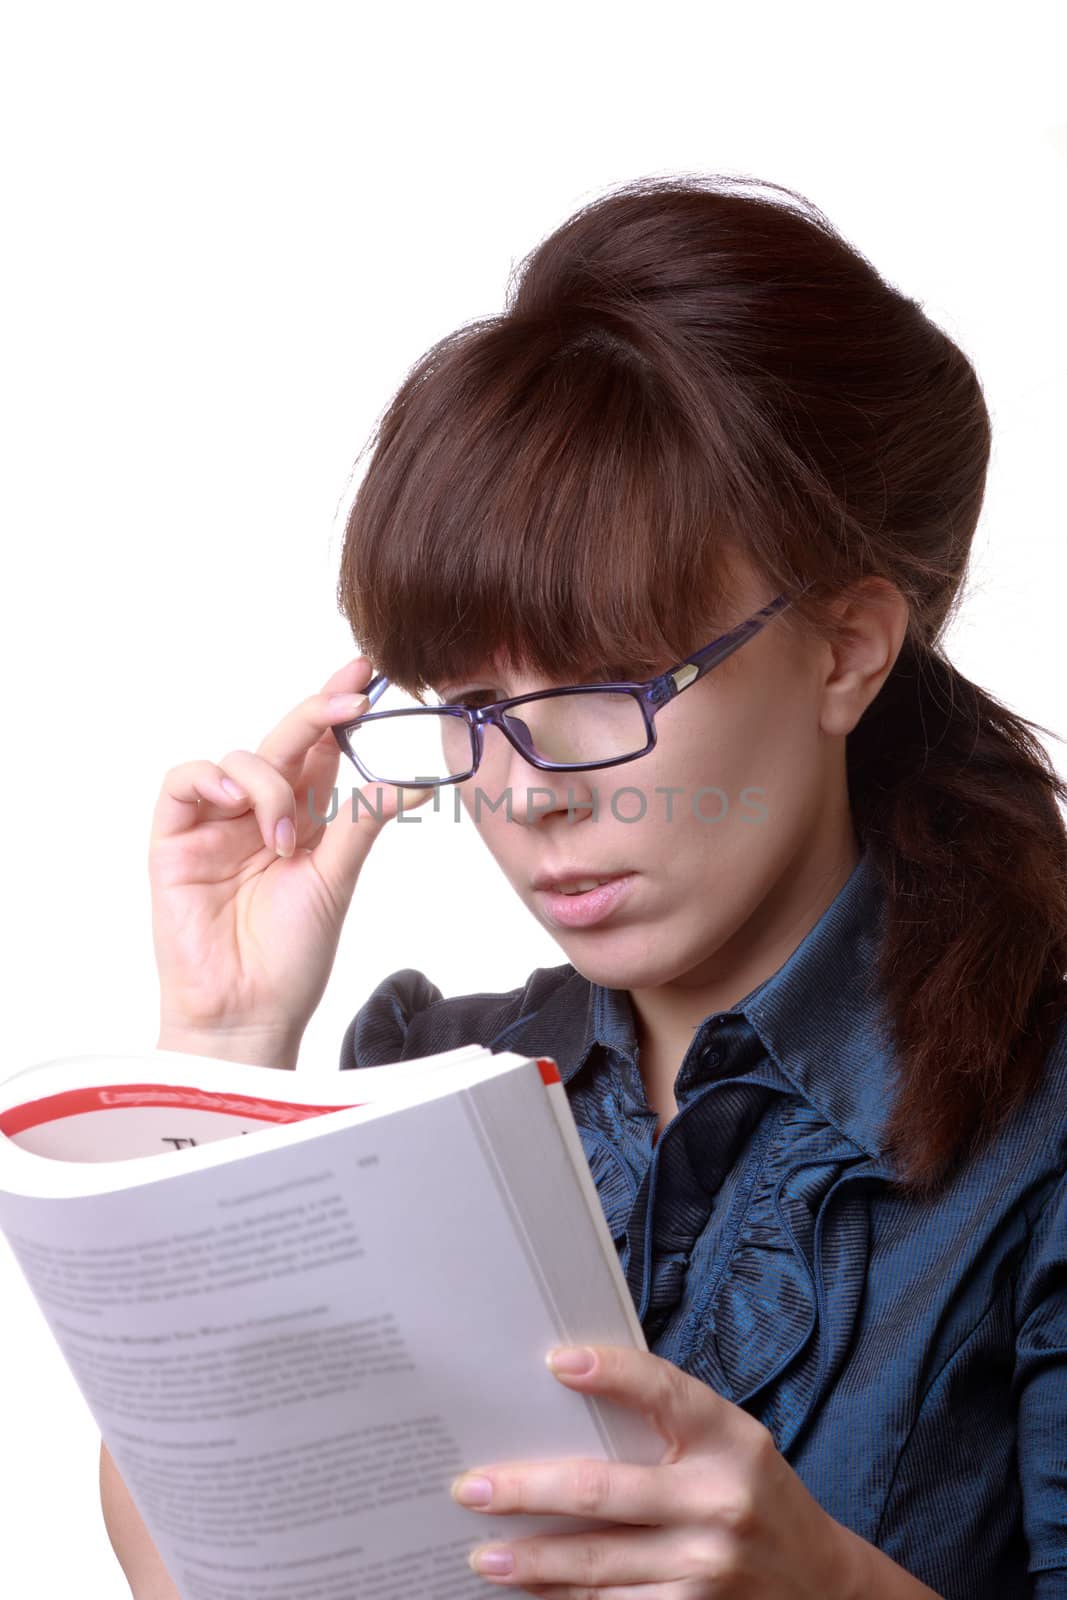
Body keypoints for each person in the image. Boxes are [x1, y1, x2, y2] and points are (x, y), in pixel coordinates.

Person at [101, 174, 1067, 1599]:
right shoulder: (423, 1083)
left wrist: (832, 1588)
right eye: (475, 700)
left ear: (848, 649)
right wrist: (228, 1048)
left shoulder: (1037, 1135)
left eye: (609, 682)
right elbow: (205, 1566)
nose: (530, 786)